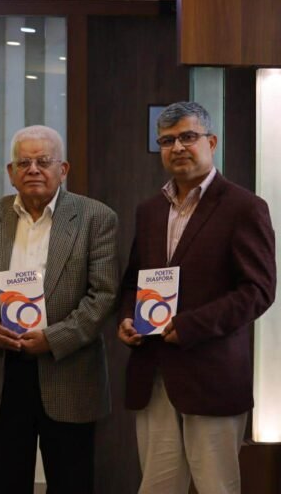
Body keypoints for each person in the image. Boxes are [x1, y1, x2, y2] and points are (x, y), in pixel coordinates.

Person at [117, 102, 275, 494]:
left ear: (212, 142)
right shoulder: (150, 211)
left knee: (216, 487)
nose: (177, 147)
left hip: (213, 376)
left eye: (188, 137)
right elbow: (135, 280)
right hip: (154, 373)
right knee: (157, 487)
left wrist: (190, 326)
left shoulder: (244, 207)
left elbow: (257, 291)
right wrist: (128, 317)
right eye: (167, 140)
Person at [0, 125, 118, 494]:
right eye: (24, 162)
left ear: (63, 169)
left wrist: (52, 338)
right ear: (10, 172)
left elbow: (103, 295)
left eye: (44, 161)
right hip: (3, 371)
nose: (33, 169)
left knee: (72, 484)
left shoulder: (95, 218)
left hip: (69, 371)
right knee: (6, 483)